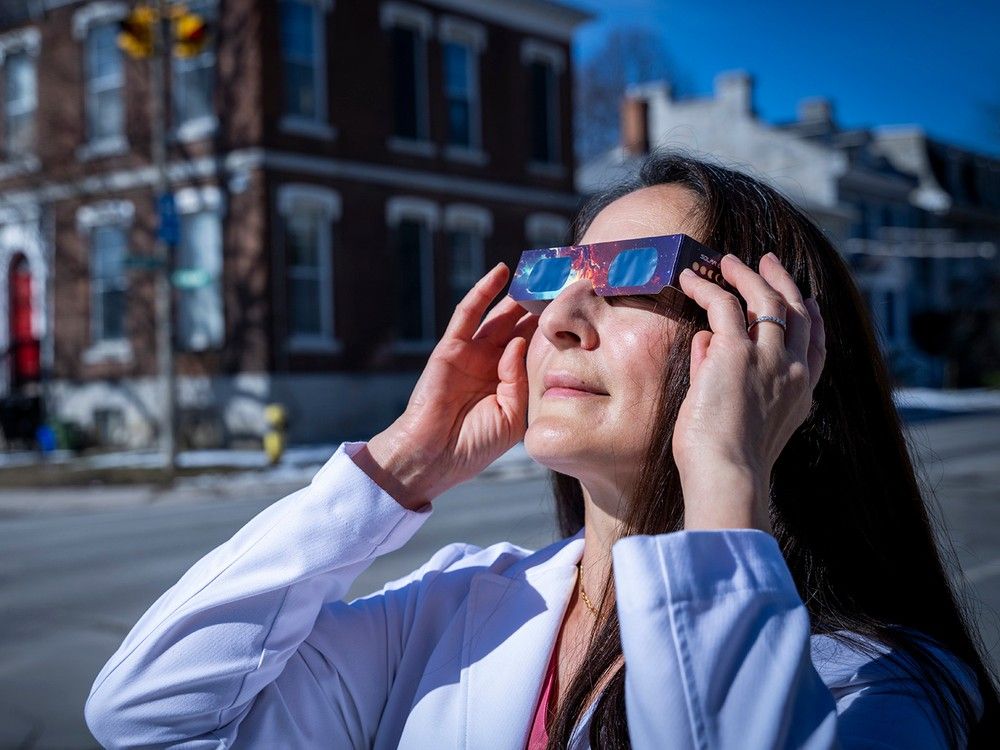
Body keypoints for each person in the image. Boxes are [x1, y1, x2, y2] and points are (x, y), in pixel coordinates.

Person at [85, 151, 998, 749]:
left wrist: (725, 475)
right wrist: (402, 466)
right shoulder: (460, 607)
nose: (560, 317)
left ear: (773, 345)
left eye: (635, 275)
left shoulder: (876, 692)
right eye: (557, 276)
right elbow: (148, 716)